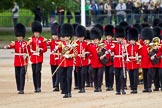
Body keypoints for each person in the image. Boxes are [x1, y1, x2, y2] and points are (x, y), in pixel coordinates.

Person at [4, 23, 28, 94]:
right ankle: (18, 88)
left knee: (22, 75)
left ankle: (22, 89)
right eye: (18, 36)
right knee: (17, 75)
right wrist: (7, 47)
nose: (19, 38)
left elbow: (29, 52)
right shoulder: (15, 43)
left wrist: (26, 55)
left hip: (24, 62)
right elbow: (10, 45)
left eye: (20, 36)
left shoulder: (26, 43)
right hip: (17, 61)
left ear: (22, 36)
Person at [28, 21, 47, 93]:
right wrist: (29, 55)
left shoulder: (42, 39)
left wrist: (40, 50)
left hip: (39, 58)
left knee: (37, 71)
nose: (36, 34)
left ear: (39, 32)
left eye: (37, 32)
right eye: (35, 32)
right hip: (33, 58)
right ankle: (35, 87)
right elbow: (27, 48)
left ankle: (39, 86)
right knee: (33, 72)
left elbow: (45, 49)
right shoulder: (31, 39)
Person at [88, 27, 104, 92]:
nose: (95, 41)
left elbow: (105, 52)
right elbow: (89, 54)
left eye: (96, 39)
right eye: (94, 40)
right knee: (94, 75)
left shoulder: (101, 46)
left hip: (100, 63)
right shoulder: (91, 46)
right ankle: (96, 87)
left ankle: (99, 86)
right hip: (94, 63)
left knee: (100, 75)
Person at [75, 25, 89, 93]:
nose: (80, 38)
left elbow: (90, 52)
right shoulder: (75, 43)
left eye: (82, 37)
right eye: (79, 37)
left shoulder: (86, 43)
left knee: (83, 73)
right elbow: (74, 52)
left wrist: (85, 54)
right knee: (78, 74)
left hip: (84, 62)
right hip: (78, 62)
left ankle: (83, 87)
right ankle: (80, 87)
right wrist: (77, 55)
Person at [139, 27, 154, 93]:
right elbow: (140, 54)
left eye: (147, 40)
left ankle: (149, 87)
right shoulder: (142, 47)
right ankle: (145, 87)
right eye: (145, 40)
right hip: (144, 63)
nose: (146, 41)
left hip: (150, 63)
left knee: (149, 75)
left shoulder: (152, 46)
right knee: (144, 75)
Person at [113, 26, 126, 95]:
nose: (119, 39)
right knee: (117, 76)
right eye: (118, 38)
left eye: (120, 38)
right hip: (116, 63)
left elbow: (128, 52)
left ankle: (123, 89)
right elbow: (111, 51)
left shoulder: (125, 44)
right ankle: (118, 90)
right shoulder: (114, 45)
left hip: (123, 62)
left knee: (122, 76)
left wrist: (125, 54)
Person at [126, 28, 140, 94]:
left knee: (135, 76)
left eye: (133, 40)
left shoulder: (138, 46)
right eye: (131, 40)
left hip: (135, 63)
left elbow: (141, 54)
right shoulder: (127, 46)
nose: (132, 41)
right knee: (130, 76)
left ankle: (135, 88)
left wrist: (138, 57)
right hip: (129, 63)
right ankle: (132, 87)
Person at [47, 23, 60, 91]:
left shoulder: (60, 42)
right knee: (53, 73)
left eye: (56, 35)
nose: (55, 36)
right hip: (52, 59)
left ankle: (56, 85)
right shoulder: (50, 41)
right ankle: (54, 85)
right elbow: (45, 44)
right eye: (53, 35)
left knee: (58, 72)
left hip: (59, 59)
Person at [104, 24, 115, 91]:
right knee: (106, 73)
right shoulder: (103, 43)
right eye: (108, 36)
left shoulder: (114, 43)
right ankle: (107, 85)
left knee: (111, 73)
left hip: (111, 61)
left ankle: (111, 85)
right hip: (105, 61)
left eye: (110, 36)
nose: (109, 38)